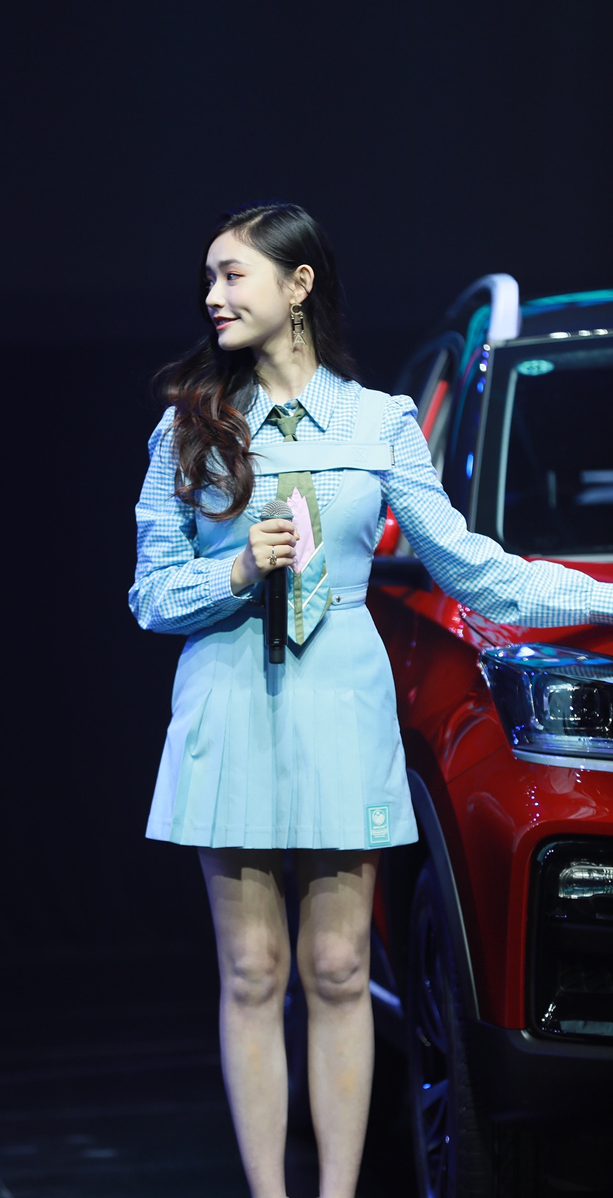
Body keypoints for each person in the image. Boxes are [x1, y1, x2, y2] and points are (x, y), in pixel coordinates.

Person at [128, 202, 613, 1198]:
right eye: (209, 279)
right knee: (252, 972)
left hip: (341, 702)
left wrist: (603, 596)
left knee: (342, 968)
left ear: (297, 284)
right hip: (230, 699)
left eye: (233, 275)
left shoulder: (378, 422)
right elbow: (150, 596)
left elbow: (476, 571)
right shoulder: (188, 426)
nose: (213, 296)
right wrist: (232, 574)